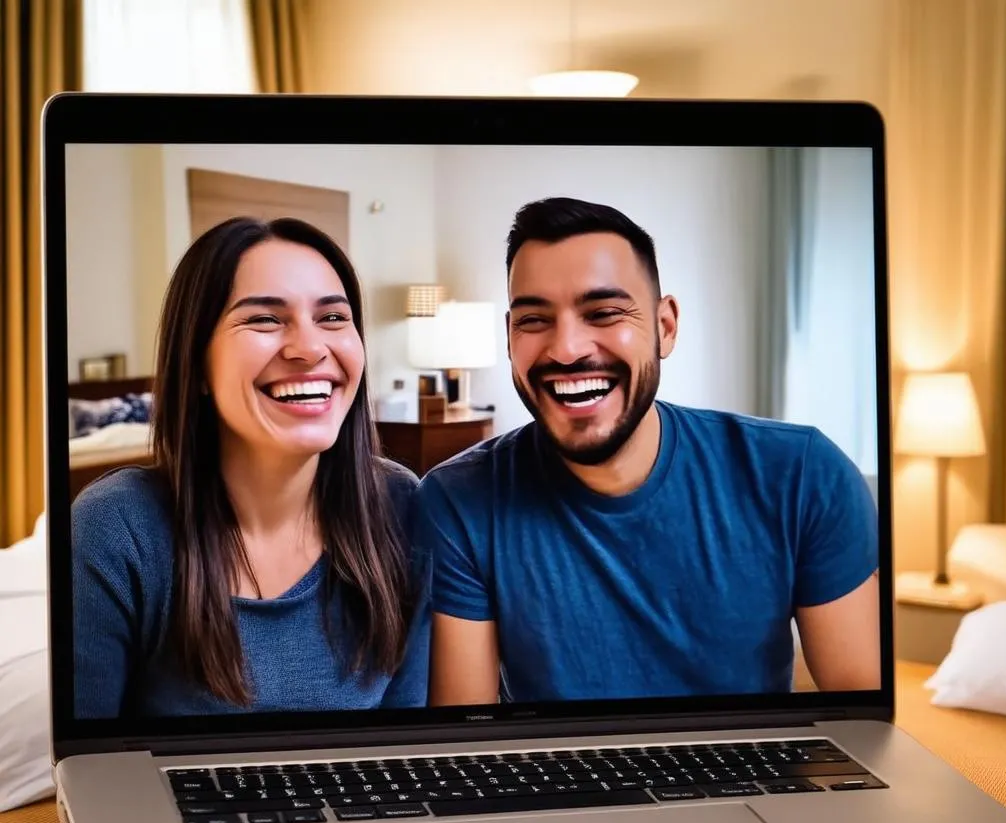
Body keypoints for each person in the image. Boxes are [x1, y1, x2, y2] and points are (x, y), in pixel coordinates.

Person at [416, 196, 879, 705]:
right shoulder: (457, 500)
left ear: (665, 327)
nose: (567, 349)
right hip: (558, 780)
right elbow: (468, 741)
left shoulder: (804, 475)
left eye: (604, 312)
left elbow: (859, 723)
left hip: (751, 778)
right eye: (534, 320)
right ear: (509, 337)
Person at [72, 216, 429, 716]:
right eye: (264, 319)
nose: (309, 349)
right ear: (196, 364)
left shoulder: (402, 506)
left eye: (332, 318)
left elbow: (405, 741)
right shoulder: (116, 526)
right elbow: (88, 768)